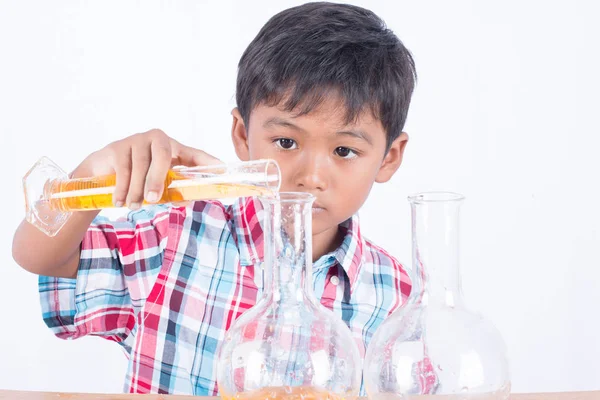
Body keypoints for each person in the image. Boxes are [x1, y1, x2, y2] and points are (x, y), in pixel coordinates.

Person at [12, 2, 416, 395]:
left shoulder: (396, 297)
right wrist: (91, 177)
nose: (310, 177)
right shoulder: (175, 237)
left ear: (389, 158)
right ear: (242, 134)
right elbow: (40, 255)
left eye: (344, 151)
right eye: (286, 141)